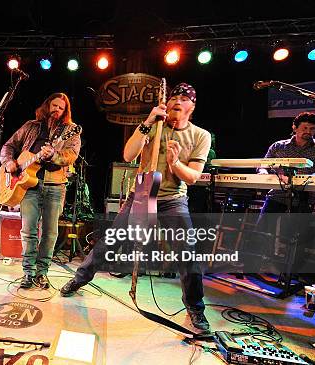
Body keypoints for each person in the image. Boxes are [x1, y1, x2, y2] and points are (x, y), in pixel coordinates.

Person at [60, 83, 213, 331]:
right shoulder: (154, 126)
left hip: (172, 199)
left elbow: (193, 177)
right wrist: (148, 121)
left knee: (188, 253)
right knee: (110, 240)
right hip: (141, 194)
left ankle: (195, 308)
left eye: (184, 98)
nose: (178, 100)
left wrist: (174, 164)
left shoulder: (200, 136)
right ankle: (78, 280)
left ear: (192, 106)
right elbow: (129, 155)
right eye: (174, 96)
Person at [0, 92, 81, 289]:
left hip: (55, 186)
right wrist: (9, 162)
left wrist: (53, 155)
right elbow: (8, 146)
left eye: (61, 108)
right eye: (54, 105)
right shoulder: (31, 126)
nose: (57, 110)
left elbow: (71, 156)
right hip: (28, 186)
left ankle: (42, 273)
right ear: (47, 106)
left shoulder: (71, 130)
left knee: (50, 233)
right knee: (28, 231)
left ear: (65, 111)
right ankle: (28, 273)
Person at [258, 112, 315, 213]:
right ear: (294, 127)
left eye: (312, 128)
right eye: (305, 128)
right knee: (264, 228)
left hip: (306, 198)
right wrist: (263, 173)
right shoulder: (278, 146)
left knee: (297, 228)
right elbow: (264, 164)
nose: (308, 131)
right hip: (277, 195)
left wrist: (314, 177)